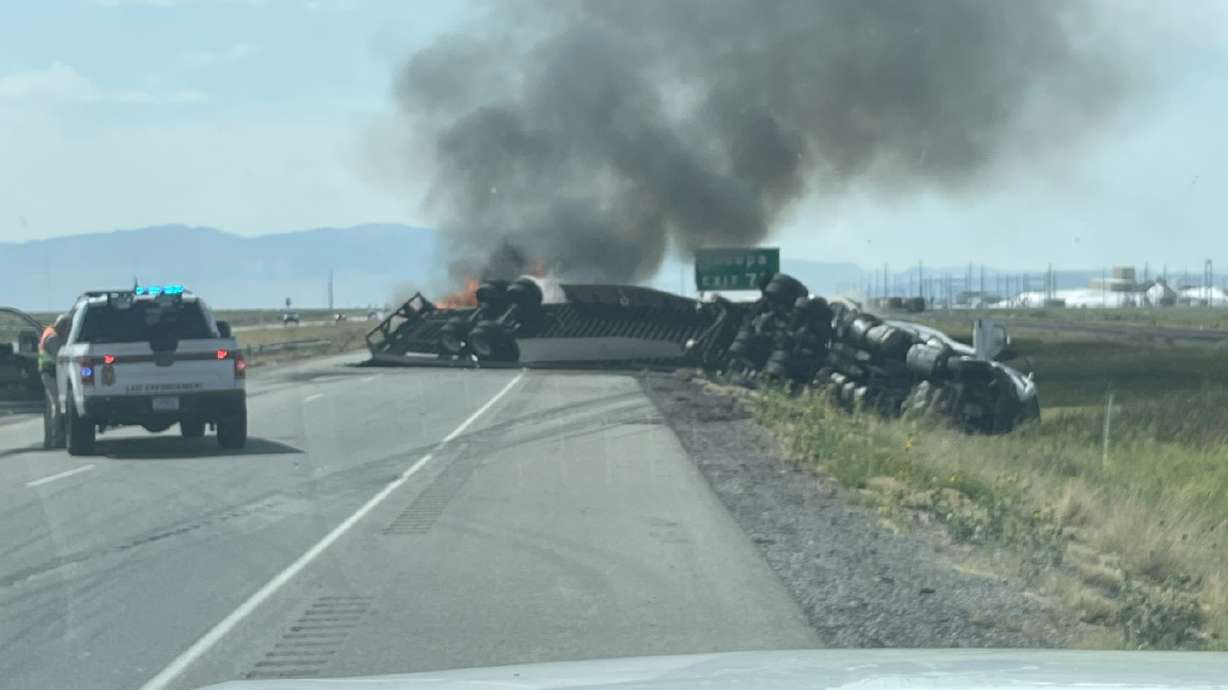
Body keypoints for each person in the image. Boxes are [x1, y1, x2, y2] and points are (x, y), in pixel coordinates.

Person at [39, 313, 71, 449]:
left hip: (48, 372)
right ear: (62, 326)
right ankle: (56, 439)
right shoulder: (53, 337)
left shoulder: (49, 331)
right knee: (57, 405)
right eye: (67, 327)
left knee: (50, 408)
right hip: (50, 373)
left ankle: (49, 440)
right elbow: (60, 357)